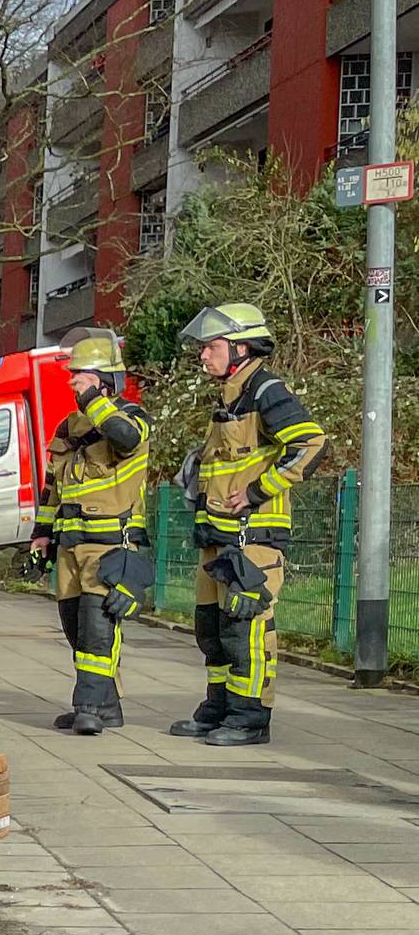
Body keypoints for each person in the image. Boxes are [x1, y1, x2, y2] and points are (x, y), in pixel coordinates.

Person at [171, 303, 325, 748]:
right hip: (217, 540)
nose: (203, 355)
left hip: (252, 539)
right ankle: (219, 709)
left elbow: (312, 444)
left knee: (246, 629)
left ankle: (250, 718)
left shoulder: (265, 390)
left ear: (241, 346)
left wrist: (259, 490)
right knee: (212, 631)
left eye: (211, 347)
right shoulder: (231, 396)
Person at [30, 333, 150, 735]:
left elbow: (126, 439)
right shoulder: (70, 426)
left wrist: (95, 400)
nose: (71, 382)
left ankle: (88, 708)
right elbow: (53, 485)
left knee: (99, 628)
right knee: (75, 627)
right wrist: (42, 532)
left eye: (79, 375)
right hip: (69, 546)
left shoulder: (130, 418)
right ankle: (107, 705)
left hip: (109, 546)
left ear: (102, 380)